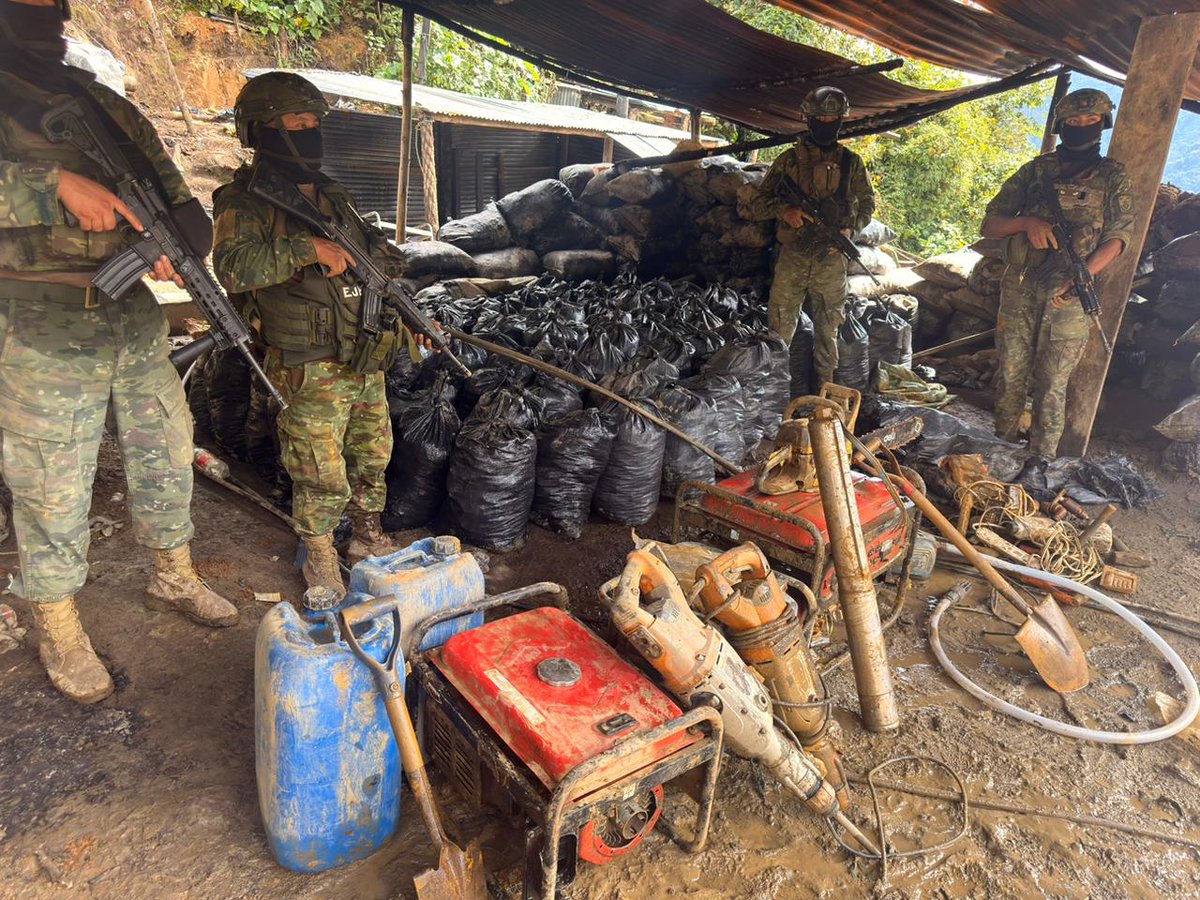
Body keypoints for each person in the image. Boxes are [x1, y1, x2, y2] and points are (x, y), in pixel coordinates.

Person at [0, 0, 237, 704]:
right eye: (26, 6)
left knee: (166, 447)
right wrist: (53, 188)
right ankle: (58, 627)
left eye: (54, 8)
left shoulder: (104, 107)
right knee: (51, 482)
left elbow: (182, 205)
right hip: (35, 319)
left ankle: (173, 573)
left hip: (129, 316)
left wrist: (174, 243)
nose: (46, 20)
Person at [213, 72, 423, 600]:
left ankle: (368, 536)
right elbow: (233, 269)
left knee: (373, 453)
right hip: (307, 359)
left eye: (313, 123)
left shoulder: (332, 195)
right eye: (297, 123)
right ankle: (322, 555)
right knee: (317, 466)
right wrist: (307, 250)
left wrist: (408, 313)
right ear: (261, 129)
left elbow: (382, 258)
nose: (310, 132)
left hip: (362, 348)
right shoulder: (245, 200)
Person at [982, 88, 1134, 461]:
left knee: (1052, 384)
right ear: (1061, 125)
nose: (1082, 126)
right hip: (1021, 286)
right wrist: (1027, 222)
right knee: (1011, 372)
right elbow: (990, 224)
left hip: (1068, 294)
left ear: (1102, 124)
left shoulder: (1112, 176)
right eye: (1074, 121)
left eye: (1090, 120)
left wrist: (1082, 275)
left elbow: (1119, 238)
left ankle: (1041, 461)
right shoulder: (1035, 171)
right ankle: (1001, 446)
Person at [746, 86, 875, 387]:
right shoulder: (788, 160)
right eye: (821, 118)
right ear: (808, 119)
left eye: (833, 118)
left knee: (829, 330)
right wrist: (785, 211)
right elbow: (756, 204)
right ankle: (773, 394)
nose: (827, 124)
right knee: (779, 329)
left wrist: (850, 230)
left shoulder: (852, 163)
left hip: (830, 260)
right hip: (793, 257)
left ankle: (824, 395)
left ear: (842, 121)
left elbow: (867, 203)